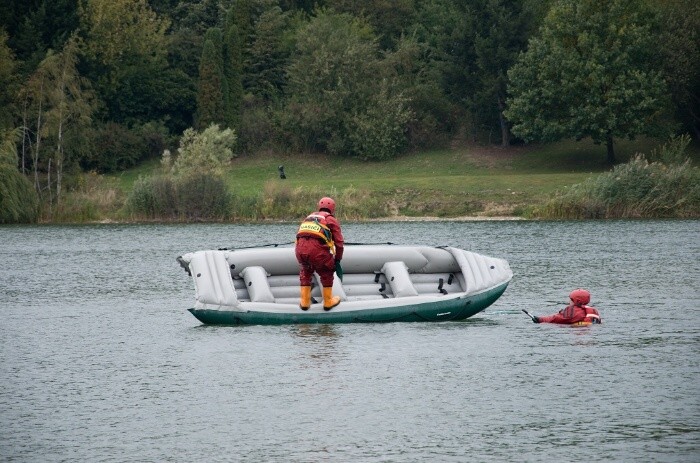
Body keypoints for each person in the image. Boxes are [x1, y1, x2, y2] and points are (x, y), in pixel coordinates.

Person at [295, 197, 344, 311]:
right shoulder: (331, 220)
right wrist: (337, 259)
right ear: (332, 209)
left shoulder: (309, 217)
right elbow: (339, 243)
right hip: (317, 252)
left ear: (319, 206)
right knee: (327, 271)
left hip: (300, 250)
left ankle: (305, 302)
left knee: (306, 271)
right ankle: (327, 302)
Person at [532, 289, 601, 324]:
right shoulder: (593, 311)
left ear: (576, 301)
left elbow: (557, 318)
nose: (569, 301)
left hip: (578, 332)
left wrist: (540, 319)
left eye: (571, 299)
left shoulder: (573, 311)